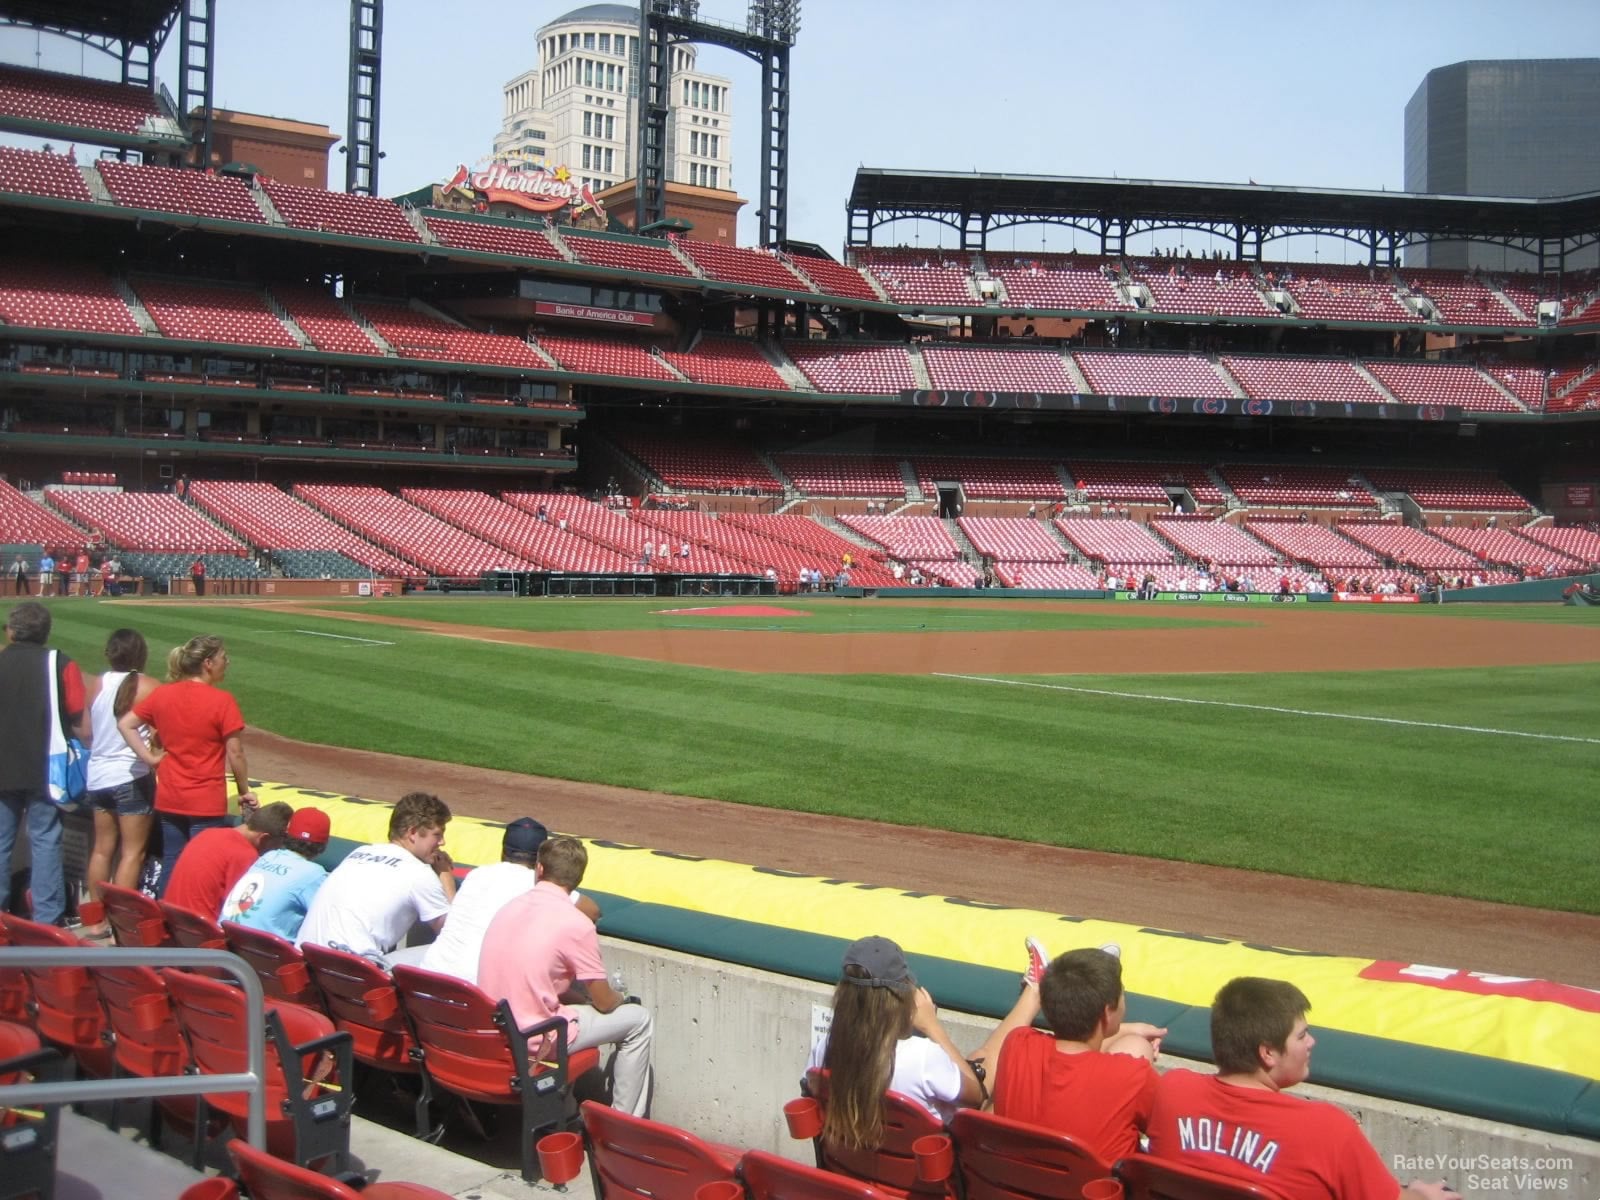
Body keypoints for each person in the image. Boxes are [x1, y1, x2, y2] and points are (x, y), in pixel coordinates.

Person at [1147, 977, 1458, 1200]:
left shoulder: (1172, 1091)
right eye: (1301, 1035)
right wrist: (1422, 1195)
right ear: (1268, 1053)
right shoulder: (1326, 1129)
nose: (1312, 1042)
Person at [806, 935, 1039, 1148]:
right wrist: (931, 1027)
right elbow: (977, 1094)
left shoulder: (824, 1048)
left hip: (858, 1170)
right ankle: (1035, 991)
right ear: (898, 999)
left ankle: (1034, 991)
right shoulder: (922, 1057)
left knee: (979, 1058)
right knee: (988, 1081)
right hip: (930, 1175)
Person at [479, 836, 652, 1116]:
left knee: (572, 1002)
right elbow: (604, 1002)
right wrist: (622, 998)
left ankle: (568, 1112)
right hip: (534, 1038)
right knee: (639, 1020)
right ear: (578, 879)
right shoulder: (577, 923)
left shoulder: (509, 907)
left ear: (540, 869)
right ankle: (622, 1123)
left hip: (493, 1030)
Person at [991, 943, 1164, 1166]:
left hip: (1012, 1180)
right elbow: (1169, 1128)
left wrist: (1129, 1030)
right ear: (1107, 1012)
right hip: (1098, 1184)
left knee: (1136, 1043)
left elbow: (1073, 1052)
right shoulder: (1134, 1076)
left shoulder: (1017, 1043)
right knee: (1138, 1047)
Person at [119, 635, 256, 896]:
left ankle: (164, 915)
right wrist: (244, 791)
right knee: (203, 868)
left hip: (170, 796)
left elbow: (126, 724)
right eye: (223, 658)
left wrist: (150, 759)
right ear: (208, 663)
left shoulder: (163, 694)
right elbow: (235, 753)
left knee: (172, 861)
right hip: (205, 801)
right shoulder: (222, 701)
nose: (227, 662)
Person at [422, 816, 600, 982]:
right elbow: (593, 912)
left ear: (503, 850)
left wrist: (445, 874)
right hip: (479, 991)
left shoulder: (478, 874)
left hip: (428, 979)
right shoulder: (539, 884)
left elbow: (453, 915)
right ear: (541, 861)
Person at [0, 601, 87, 925]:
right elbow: (78, 717)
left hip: (4, 765)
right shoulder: (60, 663)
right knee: (46, 840)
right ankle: (47, 920)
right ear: (45, 632)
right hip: (46, 767)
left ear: (11, 631)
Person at [296, 791, 456, 965]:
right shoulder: (419, 873)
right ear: (413, 832)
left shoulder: (360, 852)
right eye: (437, 834)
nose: (442, 842)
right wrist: (445, 874)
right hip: (353, 971)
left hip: (304, 961)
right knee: (451, 954)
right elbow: (456, 934)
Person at [81, 629, 162, 935]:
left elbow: (87, 733)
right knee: (132, 853)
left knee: (102, 850)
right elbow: (160, 733)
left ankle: (95, 921)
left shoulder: (98, 683)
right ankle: (120, 924)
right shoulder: (149, 686)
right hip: (131, 776)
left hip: (98, 776)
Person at [163, 801, 293, 919]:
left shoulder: (208, 833)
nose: (278, 848)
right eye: (280, 842)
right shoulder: (245, 855)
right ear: (264, 838)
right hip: (201, 929)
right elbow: (237, 911)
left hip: (171, 918)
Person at [220, 807, 332, 939]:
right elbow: (327, 919)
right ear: (323, 846)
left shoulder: (268, 856)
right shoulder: (315, 873)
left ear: (287, 834)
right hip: (261, 947)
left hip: (223, 937)